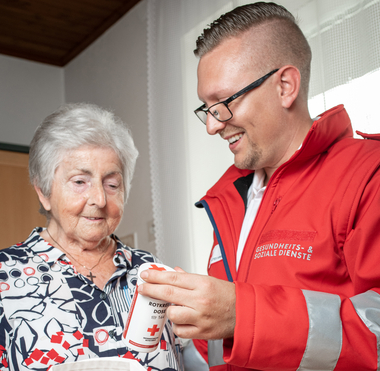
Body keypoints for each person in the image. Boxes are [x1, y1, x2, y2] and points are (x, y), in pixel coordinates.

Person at [138, 2, 380, 371]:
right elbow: (225, 349)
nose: (212, 126)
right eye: (207, 107)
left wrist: (243, 314)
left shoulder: (368, 174)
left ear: (285, 86)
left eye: (224, 102)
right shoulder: (232, 198)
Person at [0, 103, 183, 371]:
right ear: (44, 192)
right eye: (79, 182)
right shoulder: (6, 274)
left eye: (112, 184)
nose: (98, 199)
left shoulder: (152, 271)